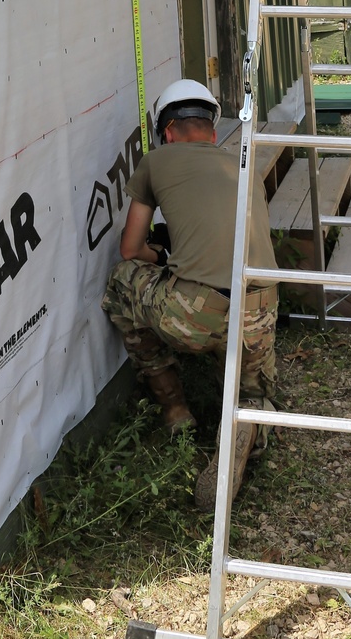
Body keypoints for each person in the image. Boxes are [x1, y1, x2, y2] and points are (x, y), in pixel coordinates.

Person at [101, 79, 279, 507]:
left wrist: (161, 257)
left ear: (166, 131)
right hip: (261, 309)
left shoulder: (155, 161)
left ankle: (175, 409)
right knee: (254, 388)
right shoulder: (242, 163)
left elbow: (130, 249)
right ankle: (246, 420)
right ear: (212, 132)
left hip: (197, 314)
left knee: (122, 282)